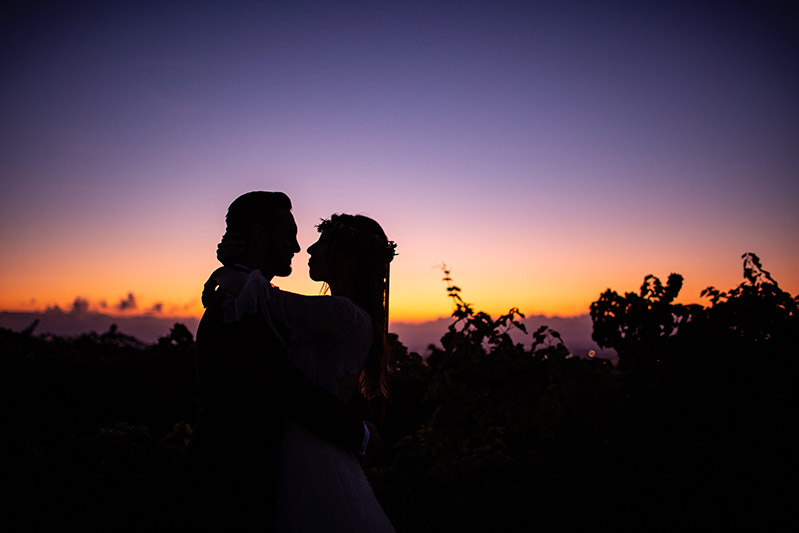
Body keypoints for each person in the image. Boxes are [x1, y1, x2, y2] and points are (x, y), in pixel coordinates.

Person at [189, 192, 381, 531]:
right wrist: (360, 434)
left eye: (317, 241)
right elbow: (283, 386)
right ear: (262, 236)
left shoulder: (268, 304)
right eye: (289, 235)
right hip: (239, 479)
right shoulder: (238, 308)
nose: (299, 247)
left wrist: (226, 269)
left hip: (285, 467)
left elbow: (287, 384)